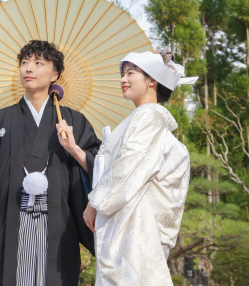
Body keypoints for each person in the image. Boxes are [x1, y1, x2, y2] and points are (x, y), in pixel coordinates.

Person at [0, 40, 102, 286]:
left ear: (55, 74)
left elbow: (103, 170)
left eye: (39, 63)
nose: (29, 69)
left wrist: (75, 150)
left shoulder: (73, 122)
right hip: (6, 231)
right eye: (24, 63)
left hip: (58, 233)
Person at [83, 48, 195, 286]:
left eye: (130, 73)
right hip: (129, 225)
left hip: (135, 231)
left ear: (152, 80)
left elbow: (129, 166)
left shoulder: (149, 117)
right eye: (122, 74)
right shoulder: (144, 117)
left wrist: (94, 203)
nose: (123, 79)